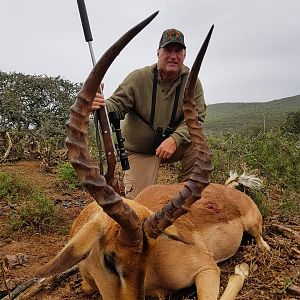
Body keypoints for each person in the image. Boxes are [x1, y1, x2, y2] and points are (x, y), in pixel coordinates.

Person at [92, 28, 207, 199]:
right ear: (158, 53)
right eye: (168, 50)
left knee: (199, 145)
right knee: (139, 204)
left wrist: (175, 139)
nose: (173, 56)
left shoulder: (192, 82)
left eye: (178, 51)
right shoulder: (139, 77)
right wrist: (99, 105)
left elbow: (196, 118)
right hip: (141, 150)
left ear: (184, 54)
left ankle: (186, 196)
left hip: (172, 147)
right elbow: (116, 104)